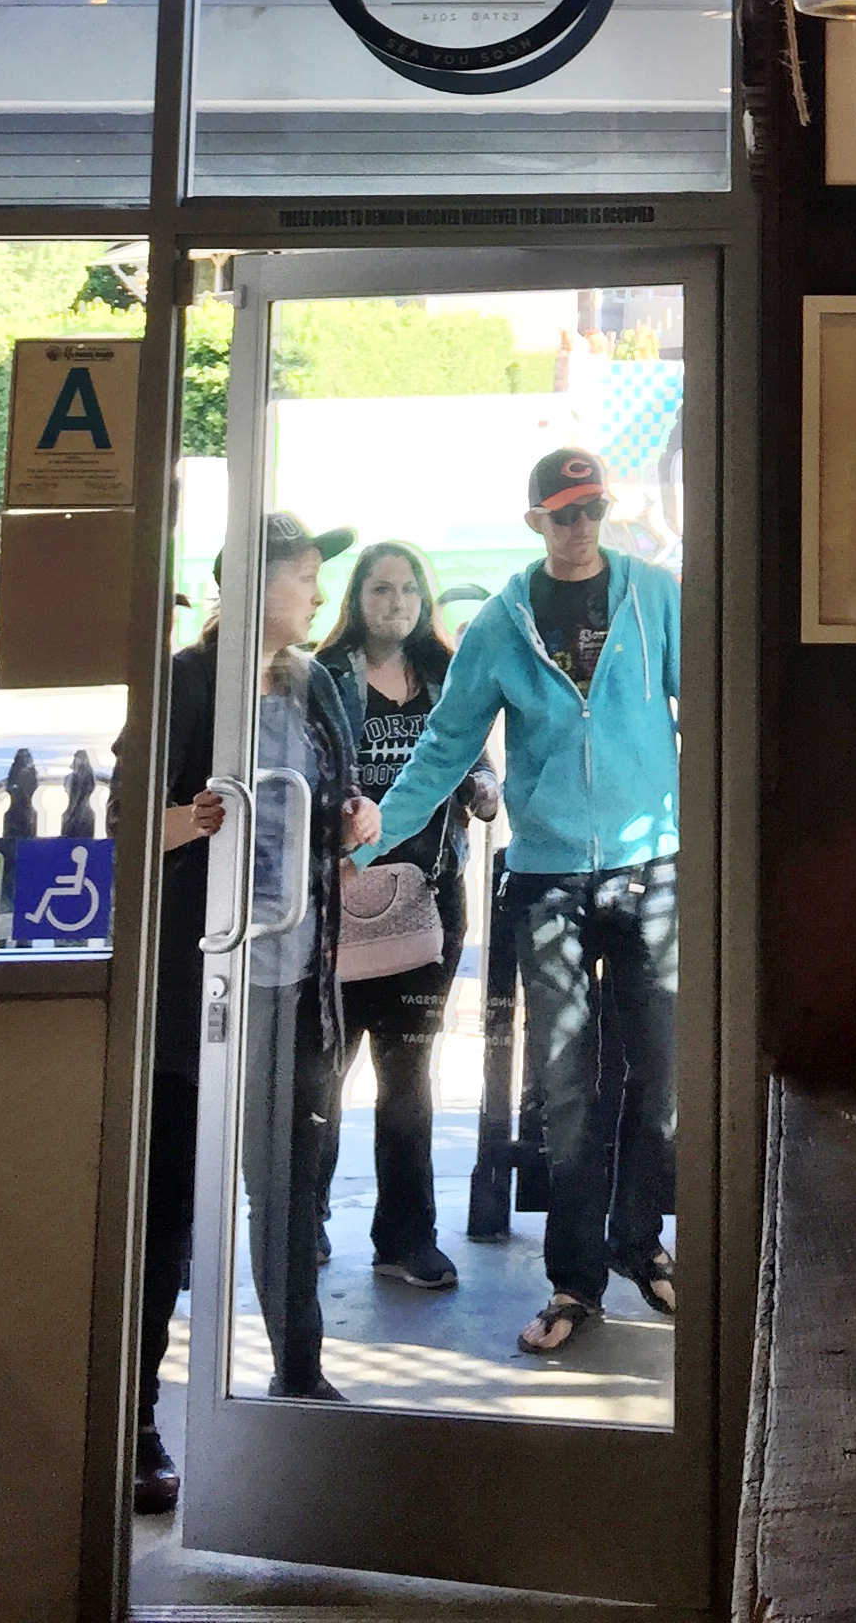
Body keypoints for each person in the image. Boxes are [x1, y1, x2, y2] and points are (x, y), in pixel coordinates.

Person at [352, 445, 680, 1361]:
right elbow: (446, 748)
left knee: (663, 1077)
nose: (580, 527)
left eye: (592, 510)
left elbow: (714, 706)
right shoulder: (501, 624)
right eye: (563, 513)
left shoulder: (656, 597)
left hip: (654, 867)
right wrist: (369, 840)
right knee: (567, 1088)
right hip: (546, 877)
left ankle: (640, 1243)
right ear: (535, 520)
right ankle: (577, 1282)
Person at [132, 511, 376, 1511]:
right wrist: (184, 821)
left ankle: (299, 1379)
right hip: (203, 992)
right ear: (250, 583)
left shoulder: (313, 682)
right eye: (303, 575)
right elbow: (127, 822)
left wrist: (356, 820)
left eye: (317, 575)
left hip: (294, 981)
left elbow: (341, 806)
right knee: (172, 1211)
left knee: (288, 1192)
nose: (317, 593)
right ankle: (138, 1421)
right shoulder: (190, 682)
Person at [311, 541, 496, 1294]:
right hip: (341, 900)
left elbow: (473, 760)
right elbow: (301, 776)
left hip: (429, 901)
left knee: (408, 1073)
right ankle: (304, 1217)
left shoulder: (449, 676)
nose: (396, 603)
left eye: (409, 589)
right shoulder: (324, 677)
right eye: (381, 589)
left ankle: (406, 1238)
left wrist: (483, 787)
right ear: (356, 598)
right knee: (326, 1068)